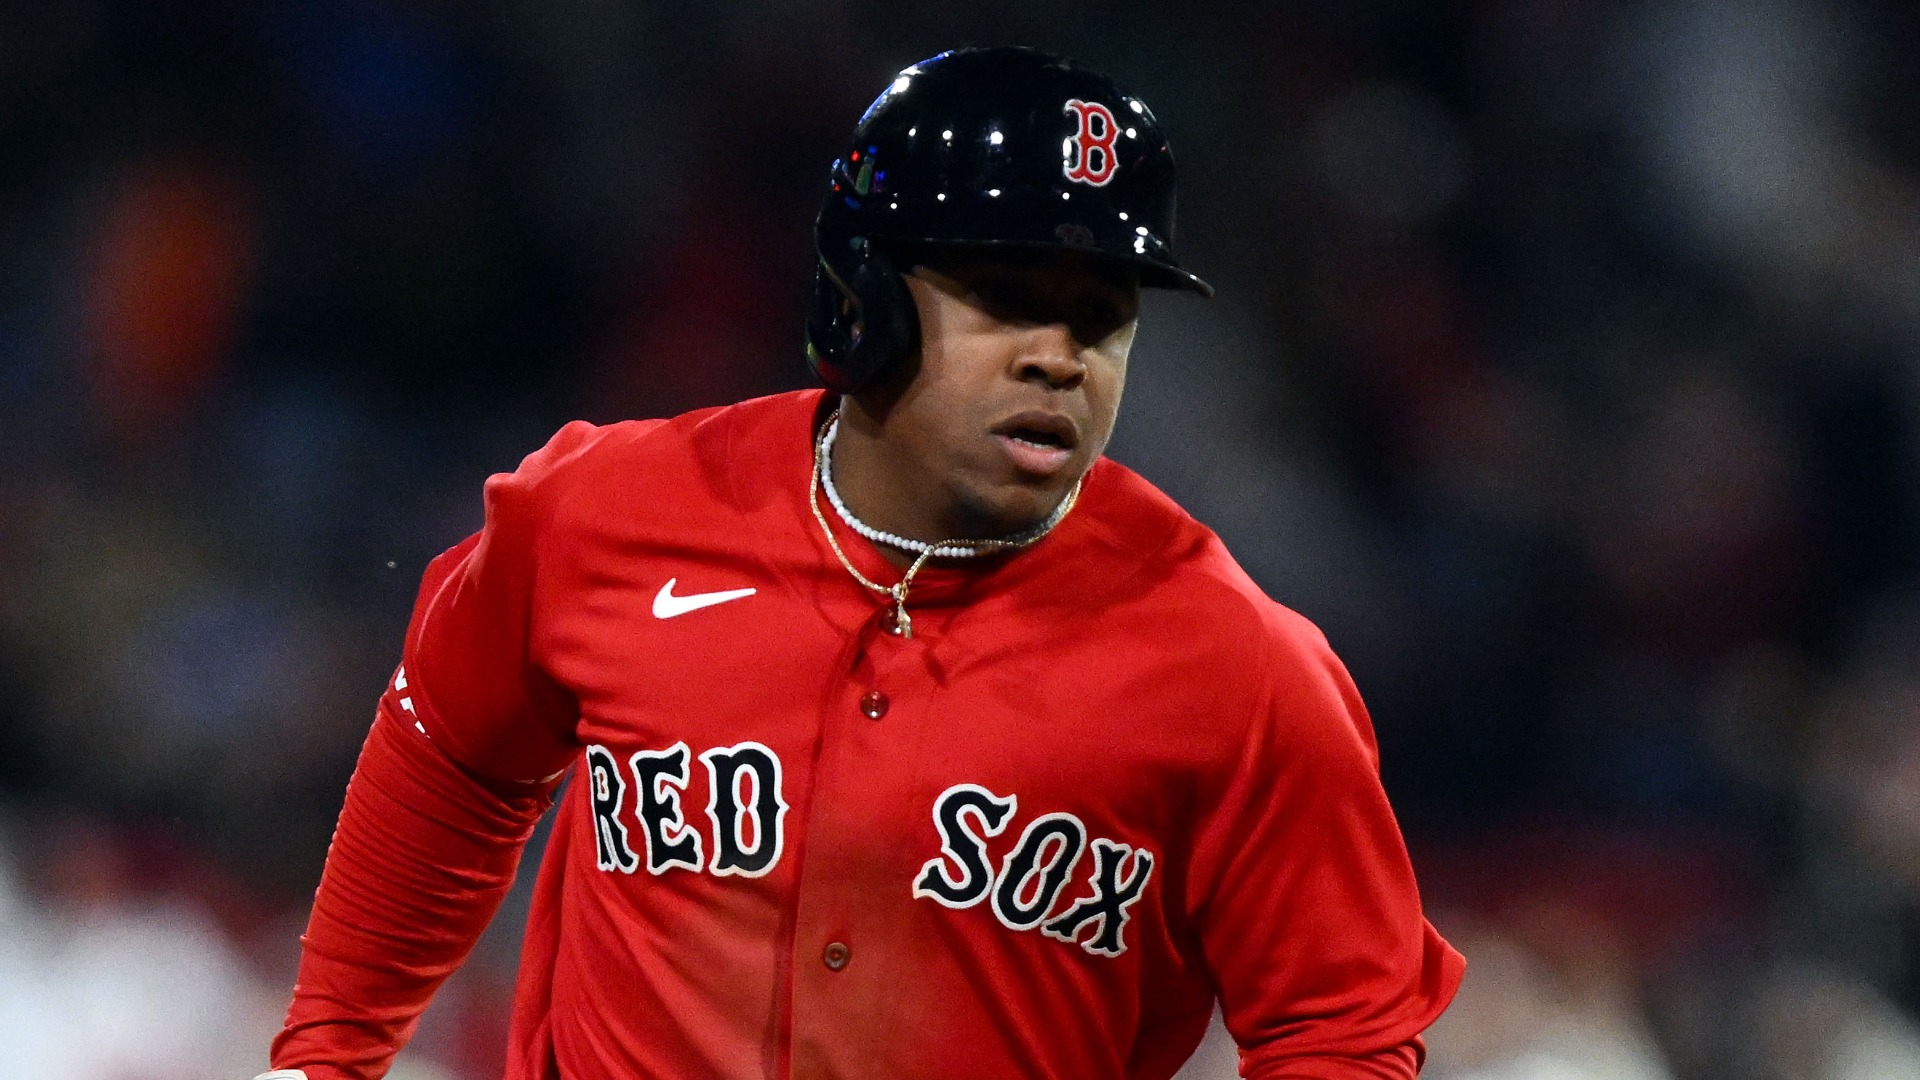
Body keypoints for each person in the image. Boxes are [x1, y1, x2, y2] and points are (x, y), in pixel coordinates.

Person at [256, 46, 1463, 1080]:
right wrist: (329, 1051)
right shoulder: (605, 518)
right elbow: (450, 757)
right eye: (1005, 296)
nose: (1062, 357)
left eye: (1100, 317)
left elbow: (1341, 1025)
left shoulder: (1235, 664)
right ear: (863, 295)